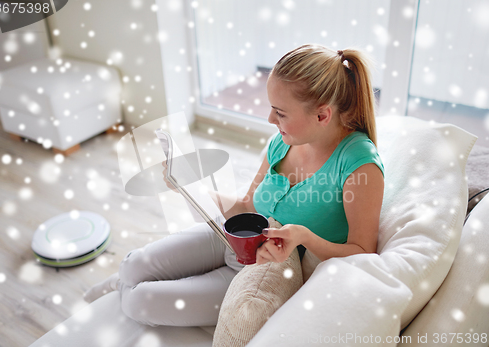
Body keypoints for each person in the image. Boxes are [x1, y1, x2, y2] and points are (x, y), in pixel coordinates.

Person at [83, 44, 385, 327]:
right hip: (232, 233)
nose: (270, 119)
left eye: (280, 112)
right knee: (133, 265)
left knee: (140, 303)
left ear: (322, 115)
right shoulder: (283, 142)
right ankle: (122, 282)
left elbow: (364, 253)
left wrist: (305, 237)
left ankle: (122, 290)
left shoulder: (360, 165)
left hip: (260, 269)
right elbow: (248, 205)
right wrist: (190, 187)